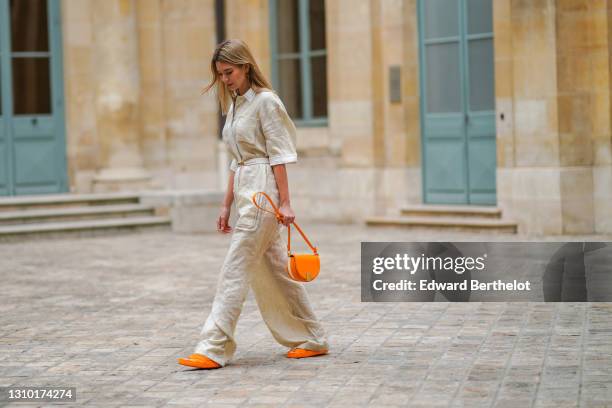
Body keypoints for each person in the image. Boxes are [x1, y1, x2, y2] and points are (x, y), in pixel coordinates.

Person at [177, 39, 329, 369]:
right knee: (276, 271)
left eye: (229, 72)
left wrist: (285, 203)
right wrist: (224, 204)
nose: (225, 79)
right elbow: (237, 160)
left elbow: (280, 156)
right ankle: (312, 338)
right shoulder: (234, 106)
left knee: (235, 268)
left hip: (264, 194)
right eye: (220, 74)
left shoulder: (266, 102)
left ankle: (213, 345)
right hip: (246, 189)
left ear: (245, 66)